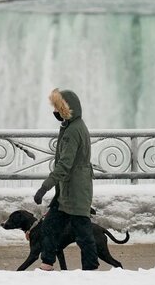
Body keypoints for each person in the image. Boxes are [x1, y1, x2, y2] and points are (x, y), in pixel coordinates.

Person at [33, 88, 99, 271]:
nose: (54, 112)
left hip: (75, 191)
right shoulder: (73, 125)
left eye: (57, 108)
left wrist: (44, 188)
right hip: (68, 191)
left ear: (65, 109)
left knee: (83, 233)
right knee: (50, 226)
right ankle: (47, 263)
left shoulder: (72, 131)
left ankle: (91, 270)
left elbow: (64, 165)